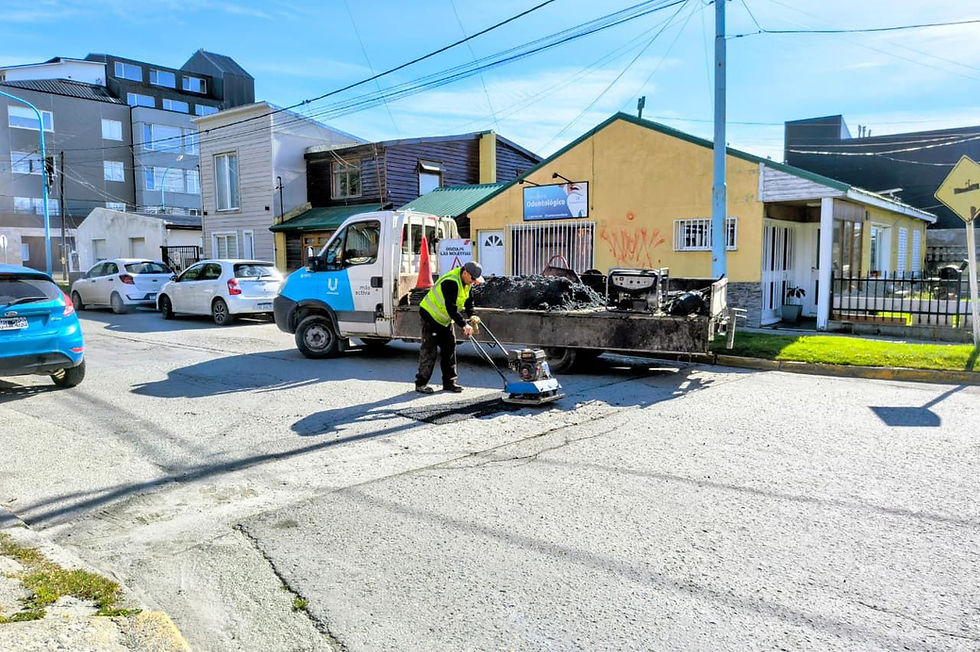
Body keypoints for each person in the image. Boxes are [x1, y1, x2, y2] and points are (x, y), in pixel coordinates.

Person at [415, 261, 484, 394]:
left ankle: (450, 383)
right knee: (429, 351)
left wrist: (473, 315)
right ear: (465, 273)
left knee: (449, 348)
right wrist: (464, 325)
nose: (474, 282)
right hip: (430, 316)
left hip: (444, 319)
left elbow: (469, 302)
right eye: (473, 279)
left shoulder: (467, 283)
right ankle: (421, 384)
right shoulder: (451, 282)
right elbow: (451, 308)